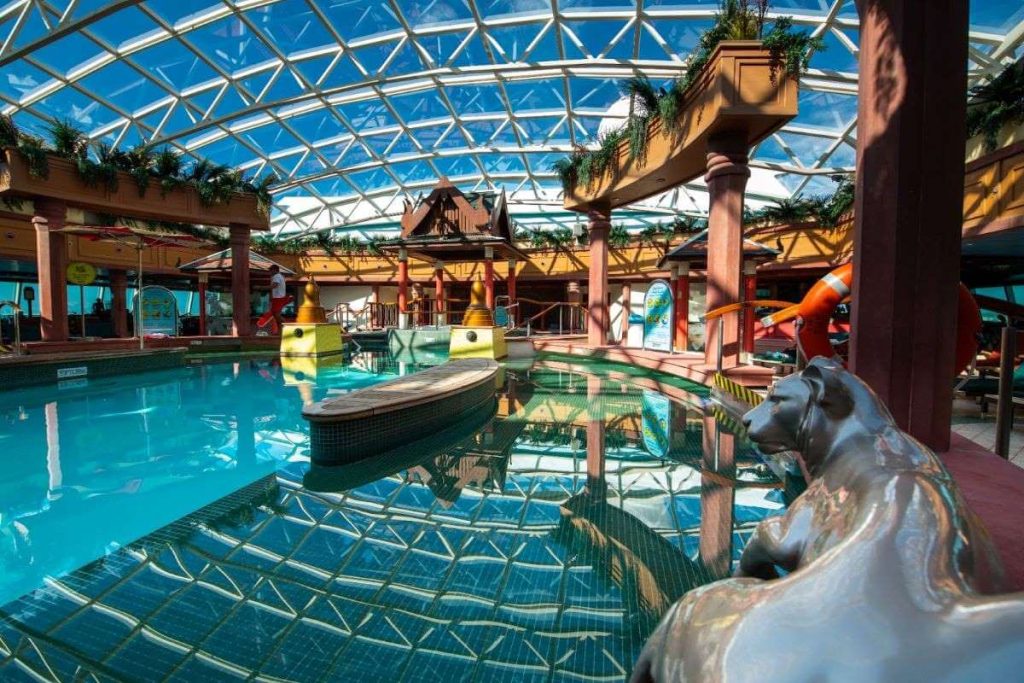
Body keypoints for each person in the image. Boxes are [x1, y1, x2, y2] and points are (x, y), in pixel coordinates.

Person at [257, 265, 293, 334]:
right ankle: (280, 332)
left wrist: (260, 287)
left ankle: (287, 327)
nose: (269, 271)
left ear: (275, 270)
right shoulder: (280, 276)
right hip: (278, 298)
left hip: (278, 298)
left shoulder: (277, 276)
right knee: (276, 315)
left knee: (277, 315)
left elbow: (274, 286)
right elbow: (274, 288)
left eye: (271, 270)